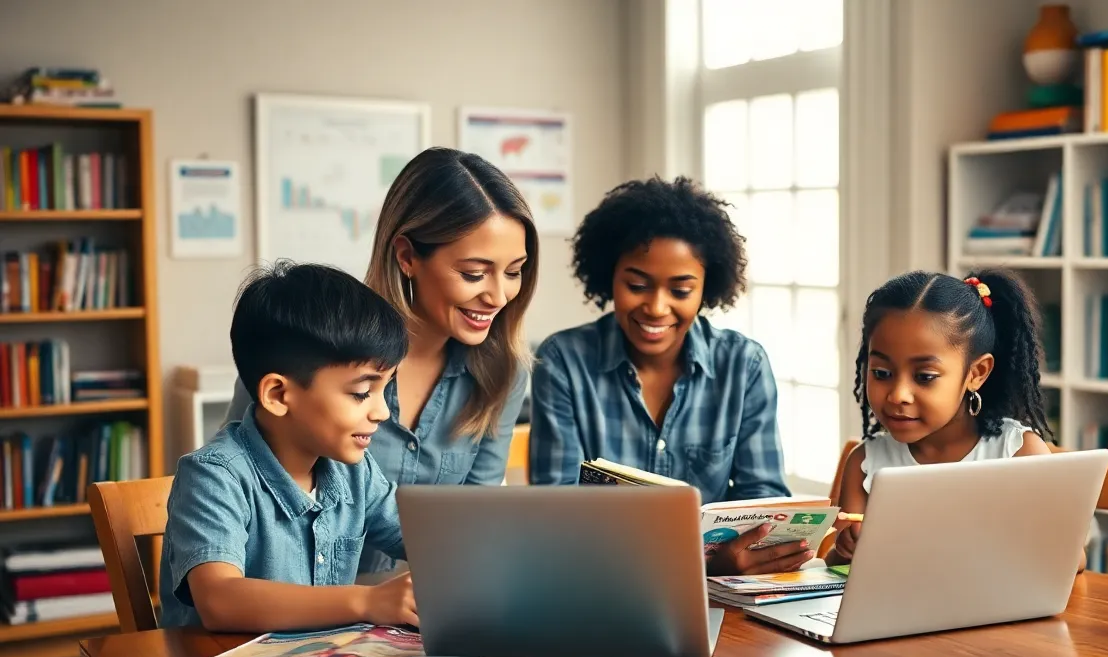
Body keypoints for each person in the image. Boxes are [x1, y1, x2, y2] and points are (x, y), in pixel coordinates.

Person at [223, 148, 538, 575]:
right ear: (407, 256)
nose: (498, 296)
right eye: (473, 273)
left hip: (415, 616)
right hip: (289, 619)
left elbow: (472, 530)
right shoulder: (304, 353)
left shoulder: (502, 374)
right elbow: (237, 495)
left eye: (515, 271)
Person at [528, 176, 806, 577]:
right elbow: (553, 513)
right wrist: (703, 561)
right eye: (637, 285)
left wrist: (729, 557)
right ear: (610, 276)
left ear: (707, 288)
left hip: (718, 598)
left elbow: (761, 502)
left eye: (680, 291)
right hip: (596, 582)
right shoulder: (563, 362)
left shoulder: (744, 366)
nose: (656, 308)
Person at [160, 262, 416, 631]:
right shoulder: (214, 476)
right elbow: (219, 598)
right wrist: (367, 600)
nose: (382, 411)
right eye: (362, 393)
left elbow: (424, 539)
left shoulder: (354, 471)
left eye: (384, 390)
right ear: (278, 395)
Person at [825, 268, 1091, 570]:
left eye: (925, 377)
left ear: (976, 374)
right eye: (881, 373)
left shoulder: (1018, 453)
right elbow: (838, 572)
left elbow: (1073, 559)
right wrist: (845, 551)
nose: (898, 394)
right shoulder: (865, 464)